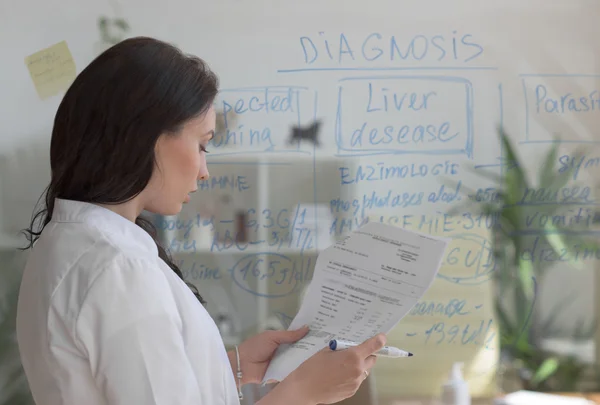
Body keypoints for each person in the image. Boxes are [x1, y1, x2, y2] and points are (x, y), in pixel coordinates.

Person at [15, 36, 386, 405]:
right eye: (202, 144)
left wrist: (233, 367)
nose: (205, 170)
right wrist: (302, 393)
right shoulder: (119, 269)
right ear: (148, 137)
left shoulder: (65, 242)